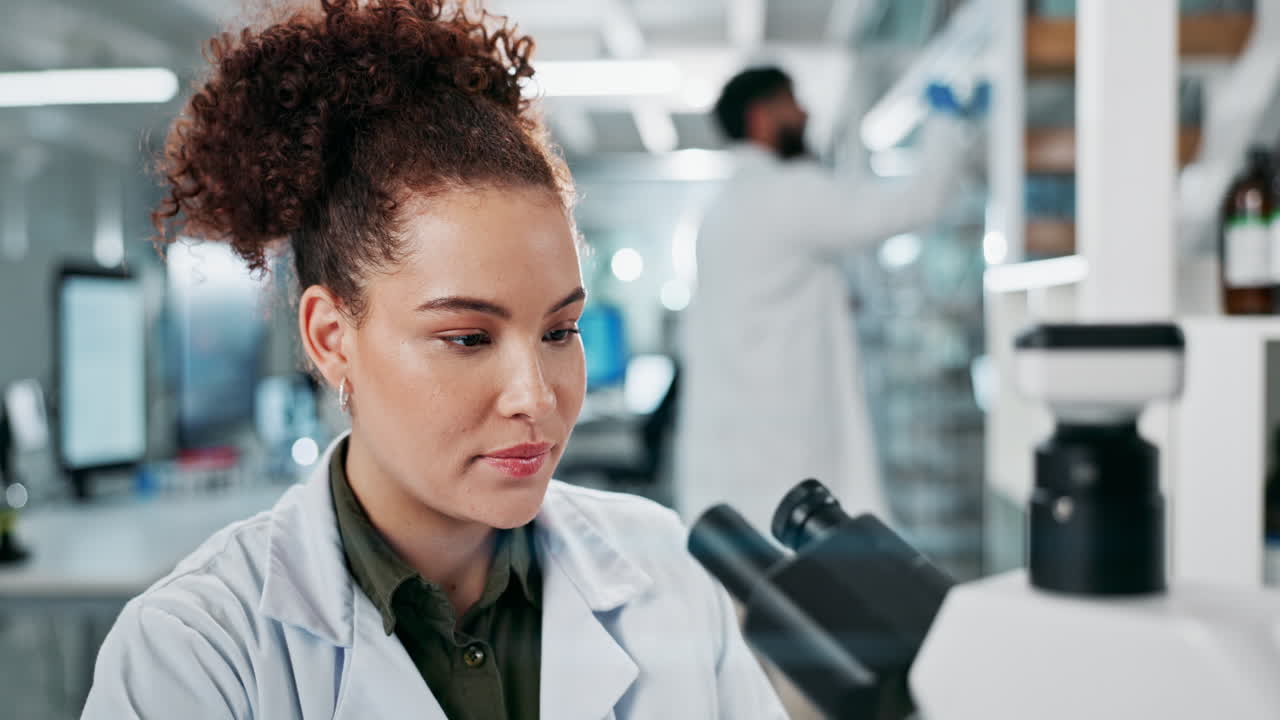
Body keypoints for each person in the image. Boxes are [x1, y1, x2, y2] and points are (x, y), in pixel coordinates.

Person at [80, 2, 787, 718]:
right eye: (469, 338)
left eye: (559, 330)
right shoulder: (195, 654)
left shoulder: (668, 574)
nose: (536, 397)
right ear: (331, 338)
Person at [677, 66, 975, 534]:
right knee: (810, 559)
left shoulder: (720, 210)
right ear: (761, 117)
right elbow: (914, 204)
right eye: (791, 102)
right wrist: (945, 123)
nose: (805, 113)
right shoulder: (788, 193)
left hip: (739, 454)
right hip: (788, 449)